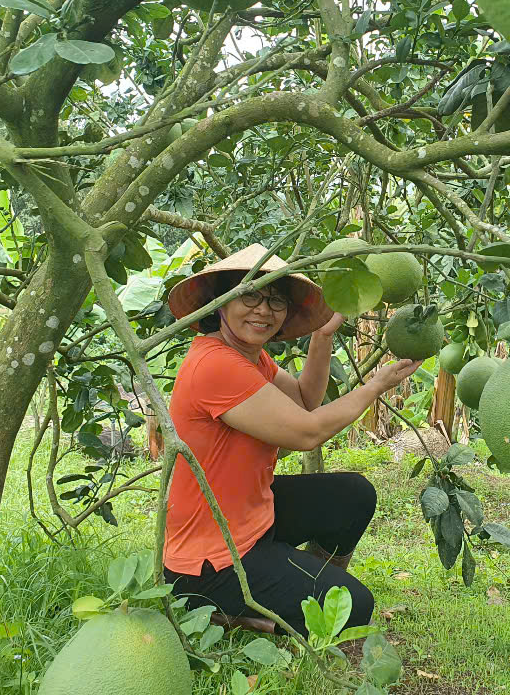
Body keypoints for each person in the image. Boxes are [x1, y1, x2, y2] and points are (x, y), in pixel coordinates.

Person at [161, 243, 422, 637]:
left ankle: (303, 592)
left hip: (251, 521)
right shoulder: (215, 364)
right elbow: (307, 431)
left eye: (276, 300)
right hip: (211, 562)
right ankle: (223, 610)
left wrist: (323, 335)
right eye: (250, 295)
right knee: (356, 608)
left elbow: (303, 399)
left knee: (352, 494)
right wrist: (377, 385)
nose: (263, 309)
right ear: (220, 302)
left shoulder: (248, 356)